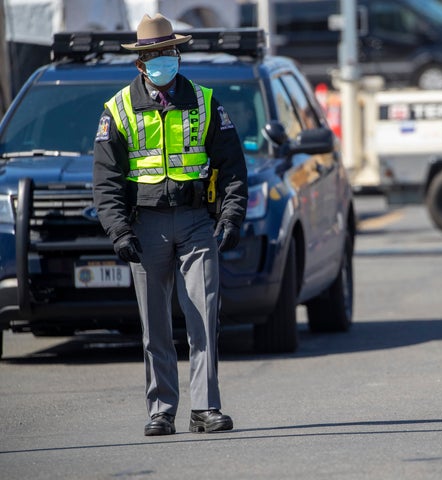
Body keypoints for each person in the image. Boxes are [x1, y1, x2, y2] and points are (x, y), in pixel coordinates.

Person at [92, 13, 248, 436]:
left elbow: (232, 167)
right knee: (155, 324)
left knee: (203, 315)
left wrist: (231, 216)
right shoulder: (118, 110)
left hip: (198, 221)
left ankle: (206, 408)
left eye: (169, 52)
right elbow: (105, 180)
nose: (163, 60)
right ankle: (161, 410)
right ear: (140, 63)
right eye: (154, 55)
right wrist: (119, 231)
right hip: (146, 227)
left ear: (178, 54)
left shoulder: (204, 101)